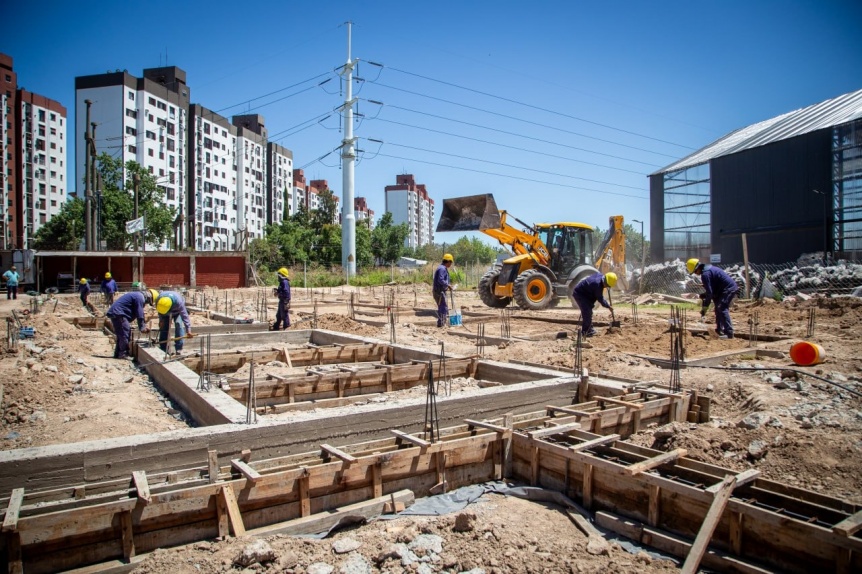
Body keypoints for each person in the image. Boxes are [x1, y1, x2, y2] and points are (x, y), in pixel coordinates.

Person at [687, 258, 739, 339]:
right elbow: (710, 290)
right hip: (721, 290)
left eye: (695, 272)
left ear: (698, 268)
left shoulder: (705, 274)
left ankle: (729, 333)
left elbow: (710, 293)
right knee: (718, 308)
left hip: (728, 289)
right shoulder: (709, 270)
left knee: (721, 308)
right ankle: (719, 330)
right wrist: (705, 295)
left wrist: (705, 308)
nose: (696, 274)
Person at [106, 290, 154, 360]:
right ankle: (123, 354)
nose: (146, 304)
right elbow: (139, 313)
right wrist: (142, 327)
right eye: (148, 302)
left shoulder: (137, 295)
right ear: (149, 297)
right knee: (125, 333)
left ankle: (118, 353)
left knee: (121, 334)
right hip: (119, 314)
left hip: (116, 313)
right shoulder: (140, 297)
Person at [572, 272, 617, 337]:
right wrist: (608, 306)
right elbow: (600, 299)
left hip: (586, 294)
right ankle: (586, 332)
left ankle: (589, 329)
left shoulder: (600, 276)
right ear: (605, 282)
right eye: (607, 286)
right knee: (587, 313)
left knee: (588, 312)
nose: (606, 287)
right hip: (580, 294)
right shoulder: (597, 285)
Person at [156, 290, 193, 354]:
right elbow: (160, 310)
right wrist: (161, 320)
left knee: (178, 324)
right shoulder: (159, 300)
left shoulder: (178, 302)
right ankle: (163, 348)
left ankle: (179, 348)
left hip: (177, 312)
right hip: (164, 313)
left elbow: (185, 316)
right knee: (164, 327)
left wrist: (188, 330)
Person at [432, 254, 454, 328]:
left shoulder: (442, 268)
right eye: (451, 262)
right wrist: (448, 285)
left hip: (439, 291)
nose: (451, 264)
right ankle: (441, 324)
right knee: (443, 307)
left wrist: (447, 286)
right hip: (439, 292)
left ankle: (441, 323)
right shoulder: (442, 269)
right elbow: (440, 280)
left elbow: (442, 280)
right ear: (448, 261)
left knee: (442, 307)